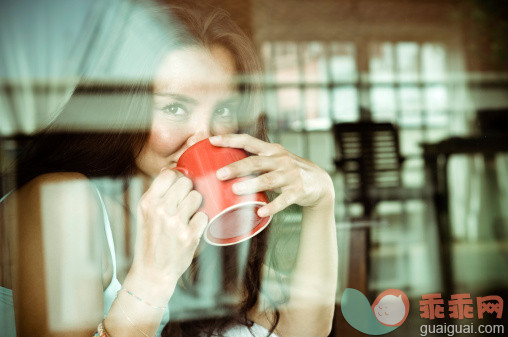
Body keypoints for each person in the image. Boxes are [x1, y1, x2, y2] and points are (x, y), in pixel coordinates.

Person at [0, 1, 338, 336]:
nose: (203, 138)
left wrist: (322, 199)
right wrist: (154, 276)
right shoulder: (64, 199)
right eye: (175, 108)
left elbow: (302, 330)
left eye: (223, 111)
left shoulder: (188, 212)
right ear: (123, 112)